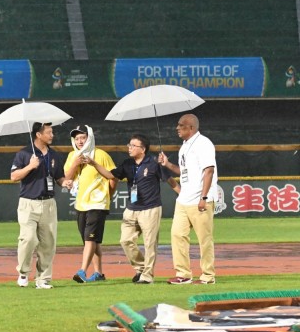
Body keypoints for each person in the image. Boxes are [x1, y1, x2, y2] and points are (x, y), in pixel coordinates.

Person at [86, 133, 179, 284]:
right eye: (129, 145)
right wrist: (93, 163)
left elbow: (170, 181)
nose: (129, 148)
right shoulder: (127, 164)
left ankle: (147, 276)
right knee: (125, 240)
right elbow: (110, 175)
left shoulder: (154, 162)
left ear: (142, 149)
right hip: (132, 208)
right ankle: (141, 268)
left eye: (133, 145)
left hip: (150, 208)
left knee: (150, 243)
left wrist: (183, 196)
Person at [10, 122, 71, 289]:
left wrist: (66, 183)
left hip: (49, 204)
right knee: (28, 239)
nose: (52, 135)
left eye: (52, 132)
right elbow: (14, 176)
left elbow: (59, 178)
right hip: (28, 203)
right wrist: (30, 166)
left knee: (48, 244)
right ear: (38, 134)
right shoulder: (24, 153)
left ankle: (43, 279)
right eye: (49, 132)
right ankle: (23, 272)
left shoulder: (55, 155)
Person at [158, 113, 218, 284]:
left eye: (181, 125)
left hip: (200, 198)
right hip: (184, 199)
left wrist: (204, 197)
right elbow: (184, 171)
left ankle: (208, 276)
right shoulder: (184, 146)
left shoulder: (203, 143)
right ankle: (183, 274)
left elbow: (209, 171)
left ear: (191, 127)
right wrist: (168, 164)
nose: (177, 128)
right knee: (177, 235)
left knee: (204, 239)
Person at [64, 125, 116, 283]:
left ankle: (82, 271)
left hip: (97, 204)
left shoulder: (101, 155)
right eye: (77, 138)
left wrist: (107, 195)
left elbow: (113, 177)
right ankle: (99, 273)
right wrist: (75, 163)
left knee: (90, 240)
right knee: (92, 242)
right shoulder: (73, 155)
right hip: (81, 204)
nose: (80, 141)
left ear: (90, 137)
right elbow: (67, 177)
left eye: (83, 137)